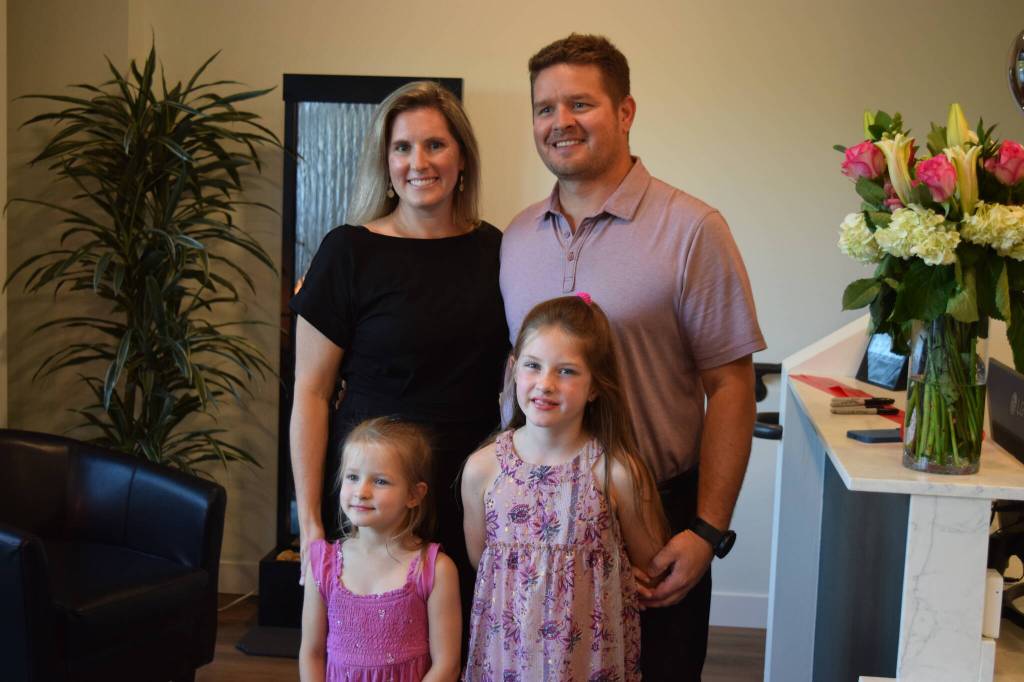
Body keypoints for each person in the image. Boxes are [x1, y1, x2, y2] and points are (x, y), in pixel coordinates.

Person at [499, 34, 766, 679]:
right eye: (543, 108)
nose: (559, 122)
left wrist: (706, 532)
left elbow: (731, 386)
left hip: (653, 523)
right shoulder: (515, 236)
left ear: (625, 112)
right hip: (537, 520)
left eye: (580, 104)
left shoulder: (693, 230)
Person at [288, 81, 509, 624]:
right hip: (373, 495)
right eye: (402, 147)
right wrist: (312, 524)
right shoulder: (348, 251)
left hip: (469, 496)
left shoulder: (498, 251)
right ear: (385, 161)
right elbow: (312, 394)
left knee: (455, 658)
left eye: (435, 145)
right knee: (373, 654)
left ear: (462, 156)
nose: (418, 162)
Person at [461, 294, 668, 681]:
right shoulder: (482, 469)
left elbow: (647, 566)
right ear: (513, 370)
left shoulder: (615, 472)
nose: (545, 384)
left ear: (595, 387)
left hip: (588, 662)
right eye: (533, 366)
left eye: (567, 371)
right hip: (508, 658)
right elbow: (481, 560)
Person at [299, 417, 461, 681]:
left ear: (414, 495)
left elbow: (447, 665)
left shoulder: (435, 569)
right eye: (352, 477)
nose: (361, 492)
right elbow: (311, 653)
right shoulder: (322, 564)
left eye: (380, 481)